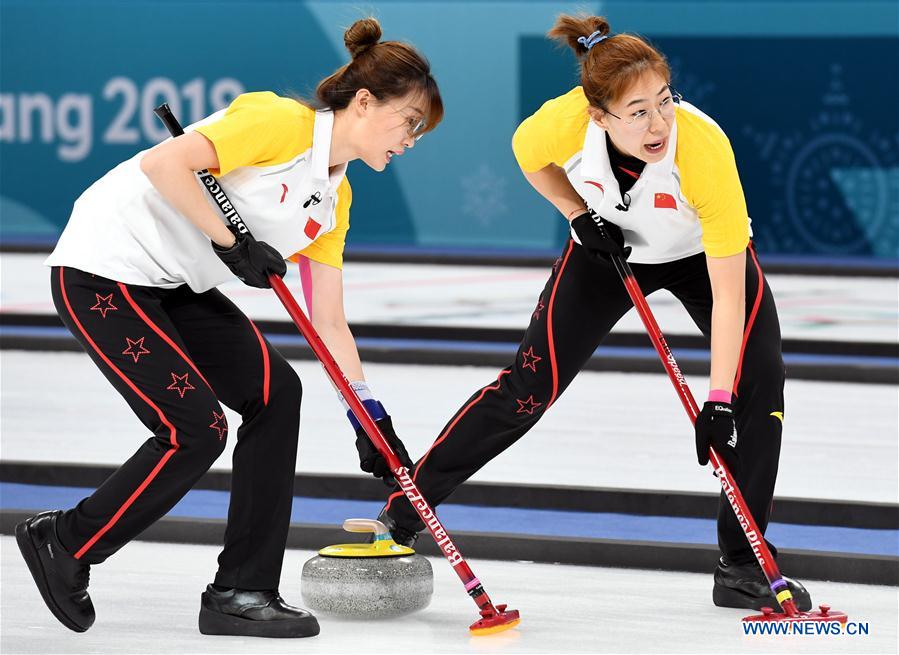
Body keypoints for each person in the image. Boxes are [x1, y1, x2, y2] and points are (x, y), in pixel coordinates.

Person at [16, 17, 442, 638]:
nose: (410, 140)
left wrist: (368, 418)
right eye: (409, 122)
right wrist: (232, 242)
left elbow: (328, 320)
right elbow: (165, 163)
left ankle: (241, 590)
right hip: (104, 269)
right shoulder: (280, 122)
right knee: (195, 429)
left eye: (419, 132)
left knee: (277, 394)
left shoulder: (336, 198)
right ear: (364, 101)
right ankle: (66, 541)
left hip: (174, 285)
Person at [376, 13, 810, 612]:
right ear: (599, 116)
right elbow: (527, 154)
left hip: (699, 258)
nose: (658, 123)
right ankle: (403, 514)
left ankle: (741, 563)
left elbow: (730, 293)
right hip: (607, 251)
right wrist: (579, 213)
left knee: (759, 383)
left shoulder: (703, 149)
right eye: (638, 111)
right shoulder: (564, 123)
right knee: (527, 387)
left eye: (665, 101)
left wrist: (717, 400)